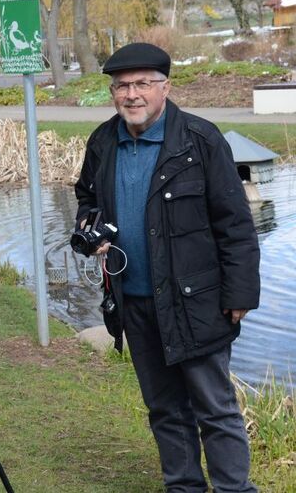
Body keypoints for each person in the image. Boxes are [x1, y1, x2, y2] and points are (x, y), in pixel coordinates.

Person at [74, 42, 260, 493]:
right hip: (133, 301)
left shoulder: (200, 140)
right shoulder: (103, 141)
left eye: (142, 84)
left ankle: (235, 489)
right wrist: (89, 229)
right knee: (164, 409)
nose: (131, 95)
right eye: (121, 86)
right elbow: (87, 200)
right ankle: (184, 487)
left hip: (197, 303)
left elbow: (235, 224)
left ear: (165, 88)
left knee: (214, 408)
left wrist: (239, 296)